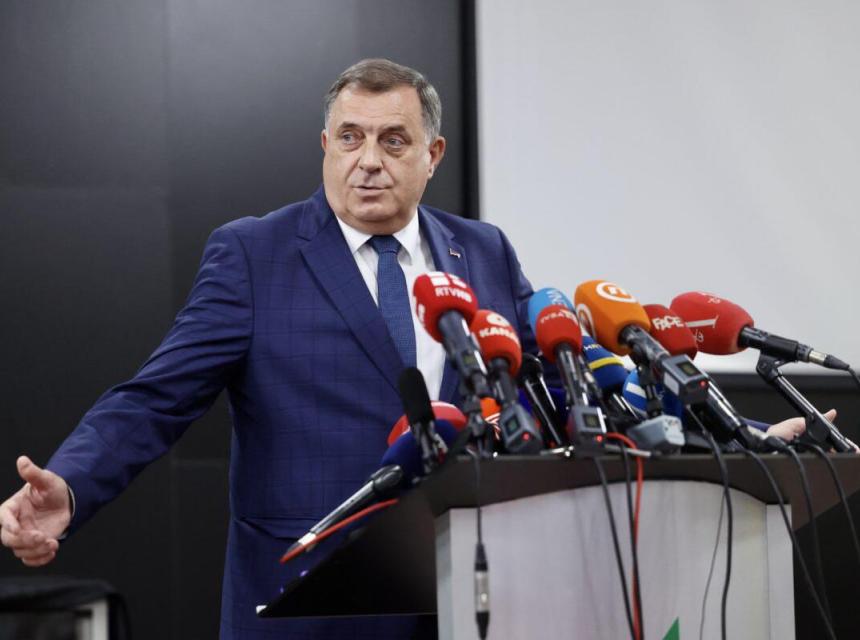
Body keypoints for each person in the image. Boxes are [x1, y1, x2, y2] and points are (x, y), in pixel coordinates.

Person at [0, 58, 827, 639]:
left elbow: (566, 384)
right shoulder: (254, 255)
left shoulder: (484, 251)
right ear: (324, 146)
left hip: (470, 594)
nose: (368, 161)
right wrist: (71, 486)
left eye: (393, 141)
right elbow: (156, 397)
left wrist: (737, 442)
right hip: (305, 601)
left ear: (432, 156)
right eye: (349, 138)